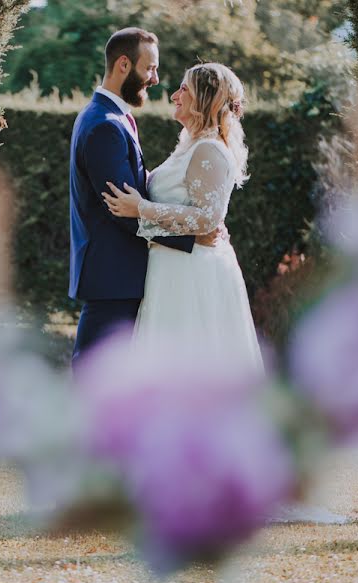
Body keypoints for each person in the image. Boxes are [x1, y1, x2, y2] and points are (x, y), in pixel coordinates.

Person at [68, 28, 221, 370]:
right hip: (113, 275)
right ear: (124, 64)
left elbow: (137, 191)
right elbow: (121, 209)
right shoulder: (105, 125)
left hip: (120, 273)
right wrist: (192, 235)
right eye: (150, 68)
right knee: (96, 373)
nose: (155, 78)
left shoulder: (113, 118)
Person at [101, 62, 262, 372]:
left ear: (205, 98)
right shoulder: (190, 145)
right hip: (173, 266)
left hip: (193, 273)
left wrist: (141, 209)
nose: (175, 95)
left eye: (184, 89)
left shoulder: (209, 150)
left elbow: (207, 220)